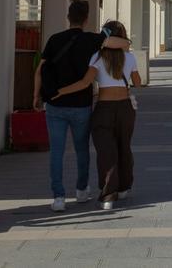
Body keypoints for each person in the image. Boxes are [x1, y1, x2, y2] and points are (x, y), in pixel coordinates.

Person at [34, 0, 129, 213]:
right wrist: (105, 36)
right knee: (81, 150)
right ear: (86, 19)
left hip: (54, 105)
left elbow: (40, 70)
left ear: (68, 17)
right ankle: (82, 190)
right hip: (81, 106)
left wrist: (36, 96)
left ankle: (58, 197)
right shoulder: (93, 40)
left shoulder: (55, 39)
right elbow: (124, 45)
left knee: (56, 152)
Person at [51, 20, 142, 210]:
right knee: (124, 146)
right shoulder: (130, 58)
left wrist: (60, 91)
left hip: (104, 109)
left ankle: (108, 195)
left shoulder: (97, 57)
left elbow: (85, 83)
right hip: (125, 109)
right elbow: (138, 83)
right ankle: (124, 187)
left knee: (106, 152)